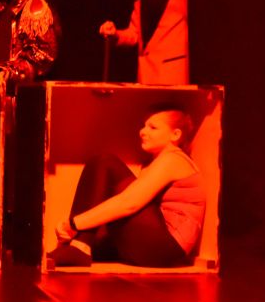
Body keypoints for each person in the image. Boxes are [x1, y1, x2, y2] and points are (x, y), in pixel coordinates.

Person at [50, 105, 205, 268]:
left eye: (153, 127)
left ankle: (79, 248)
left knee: (105, 163)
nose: (142, 132)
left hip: (167, 247)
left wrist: (74, 224)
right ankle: (77, 246)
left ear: (175, 134)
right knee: (98, 239)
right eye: (144, 126)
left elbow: (129, 203)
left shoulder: (174, 159)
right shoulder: (153, 164)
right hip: (159, 246)